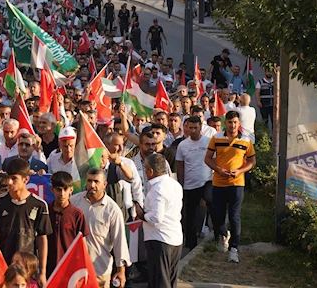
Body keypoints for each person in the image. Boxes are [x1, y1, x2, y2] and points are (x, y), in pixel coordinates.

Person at [204, 111, 256, 263]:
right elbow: (207, 158)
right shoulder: (216, 138)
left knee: (234, 215)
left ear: (239, 123)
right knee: (218, 215)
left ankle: (234, 248)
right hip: (219, 182)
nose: (233, 125)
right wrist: (218, 169)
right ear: (225, 123)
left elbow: (252, 161)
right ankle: (223, 235)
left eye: (235, 122)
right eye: (230, 122)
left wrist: (240, 170)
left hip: (237, 182)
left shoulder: (245, 140)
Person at [0, 158, 53, 285]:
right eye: (8, 177)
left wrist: (42, 272)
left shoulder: (39, 205)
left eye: (14, 178)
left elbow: (42, 239)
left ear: (26, 180)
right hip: (4, 268)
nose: (9, 182)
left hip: (28, 270)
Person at [71, 168, 130, 287]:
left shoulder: (112, 210)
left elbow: (120, 242)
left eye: (96, 181)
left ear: (104, 184)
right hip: (76, 270)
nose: (92, 185)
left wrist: (121, 271)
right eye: (89, 181)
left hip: (100, 271)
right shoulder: (74, 202)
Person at [139, 153, 183, 288]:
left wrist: (142, 215)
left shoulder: (158, 189)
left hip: (160, 240)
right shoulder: (175, 184)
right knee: (170, 281)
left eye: (145, 168)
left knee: (160, 282)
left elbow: (156, 218)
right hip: (174, 238)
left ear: (150, 171)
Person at [176, 116, 214, 250]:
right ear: (186, 128)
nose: (193, 130)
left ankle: (217, 233)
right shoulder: (182, 145)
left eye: (195, 128)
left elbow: (214, 160)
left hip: (207, 181)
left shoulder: (209, 142)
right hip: (189, 184)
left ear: (200, 128)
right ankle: (190, 242)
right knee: (189, 213)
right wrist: (180, 184)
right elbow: (180, 166)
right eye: (190, 128)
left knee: (211, 202)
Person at [46, 172, 89, 278]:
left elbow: (82, 245)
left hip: (70, 270)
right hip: (48, 268)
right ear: (52, 189)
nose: (62, 193)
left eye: (65, 189)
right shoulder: (45, 211)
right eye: (59, 189)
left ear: (71, 189)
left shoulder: (77, 215)